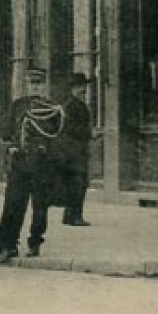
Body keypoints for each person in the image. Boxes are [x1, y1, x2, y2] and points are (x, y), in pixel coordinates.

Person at [0, 66, 66, 262]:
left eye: (39, 84)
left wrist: (50, 158)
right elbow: (5, 133)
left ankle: (35, 243)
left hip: (42, 166)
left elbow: (57, 138)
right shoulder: (17, 106)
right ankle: (8, 246)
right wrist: (10, 148)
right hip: (20, 164)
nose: (36, 88)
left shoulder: (52, 109)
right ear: (26, 84)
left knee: (40, 207)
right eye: (32, 83)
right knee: (13, 205)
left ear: (44, 86)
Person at [57, 73, 95, 227]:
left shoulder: (72, 105)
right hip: (74, 150)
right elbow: (70, 128)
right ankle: (75, 216)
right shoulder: (73, 106)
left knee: (74, 182)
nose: (83, 89)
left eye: (83, 86)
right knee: (78, 182)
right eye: (79, 87)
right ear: (72, 89)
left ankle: (69, 215)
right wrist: (90, 134)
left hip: (73, 150)